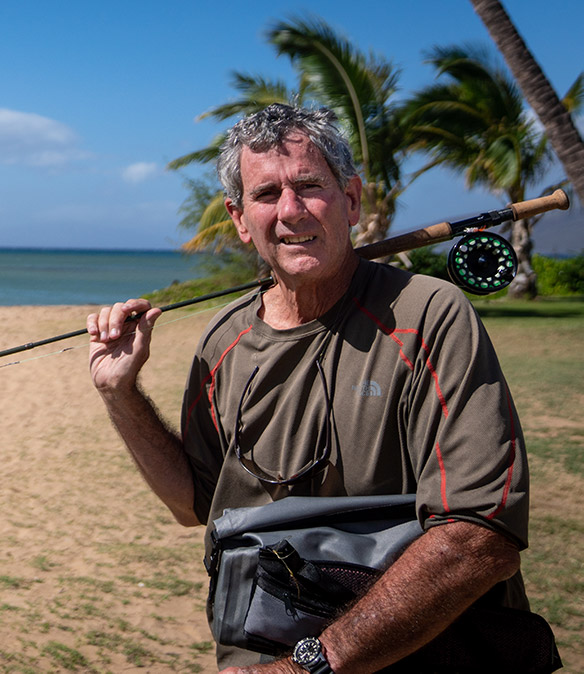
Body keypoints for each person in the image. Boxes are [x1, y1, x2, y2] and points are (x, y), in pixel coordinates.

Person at [87, 104, 531, 673]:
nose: (291, 211)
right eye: (267, 194)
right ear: (240, 218)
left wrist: (309, 666)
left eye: (310, 186)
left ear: (350, 199)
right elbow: (192, 504)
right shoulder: (222, 341)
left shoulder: (428, 315)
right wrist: (119, 394)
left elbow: (480, 537)